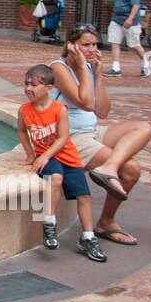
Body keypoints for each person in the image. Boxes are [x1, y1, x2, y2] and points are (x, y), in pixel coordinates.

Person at [49, 24, 151, 246]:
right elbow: (86, 103)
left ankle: (109, 169)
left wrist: (97, 74)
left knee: (144, 128)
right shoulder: (59, 68)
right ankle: (107, 222)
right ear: (70, 46)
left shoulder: (89, 68)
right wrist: (82, 69)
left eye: (95, 44)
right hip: (71, 136)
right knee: (132, 169)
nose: (92, 49)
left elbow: (102, 111)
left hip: (93, 131)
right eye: (85, 45)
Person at [18, 63, 107, 262]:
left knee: (83, 196)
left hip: (66, 156)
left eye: (34, 85)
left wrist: (45, 155)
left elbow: (63, 138)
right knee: (55, 177)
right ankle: (49, 224)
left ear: (49, 89)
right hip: (47, 158)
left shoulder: (60, 110)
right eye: (26, 84)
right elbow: (22, 131)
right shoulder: (24, 110)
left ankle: (88, 237)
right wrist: (30, 154)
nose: (28, 89)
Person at [103, 0, 149, 77]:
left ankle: (145, 62)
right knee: (114, 41)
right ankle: (116, 68)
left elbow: (136, 4)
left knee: (134, 45)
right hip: (117, 19)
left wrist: (130, 18)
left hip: (130, 20)